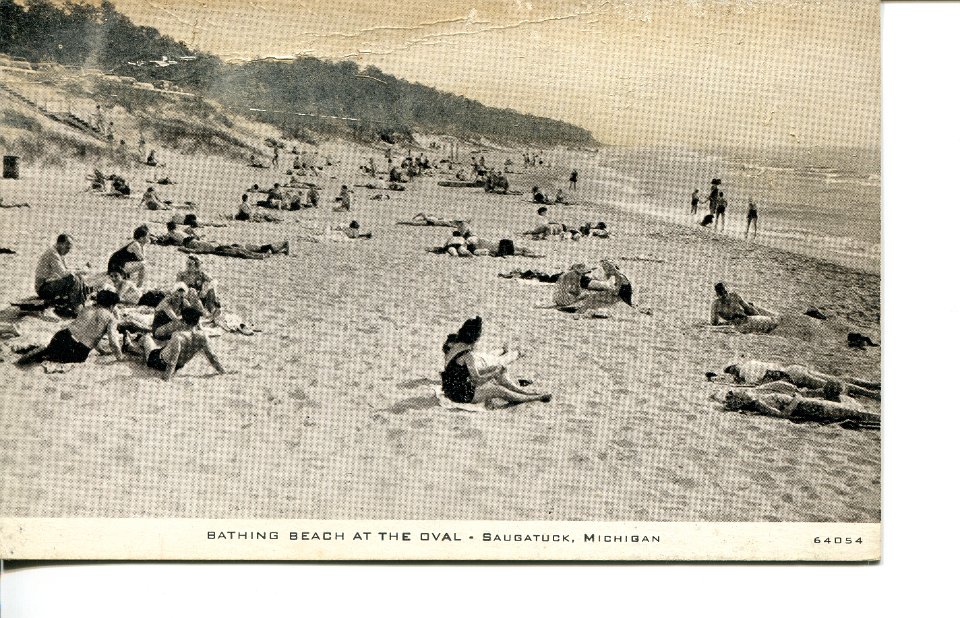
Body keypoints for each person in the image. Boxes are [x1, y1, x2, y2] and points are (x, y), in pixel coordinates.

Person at [440, 316, 550, 405]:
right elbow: (477, 380)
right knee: (498, 390)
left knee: (495, 368)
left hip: (451, 387)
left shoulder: (454, 345)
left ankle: (521, 391)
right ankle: (534, 397)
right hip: (459, 393)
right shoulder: (467, 355)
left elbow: (460, 372)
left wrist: (494, 371)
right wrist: (493, 374)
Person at [17, 290, 123, 366]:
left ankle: (47, 350)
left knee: (53, 349)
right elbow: (113, 341)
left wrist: (101, 351)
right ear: (111, 306)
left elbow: (88, 330)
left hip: (62, 335)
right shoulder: (111, 318)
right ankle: (47, 354)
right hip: (78, 349)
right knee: (67, 357)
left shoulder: (87, 308)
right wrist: (120, 357)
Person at [721, 388, 879, 428]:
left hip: (811, 406)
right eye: (739, 395)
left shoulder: (756, 399)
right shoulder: (758, 403)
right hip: (811, 407)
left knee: (855, 412)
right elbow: (784, 415)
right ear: (741, 399)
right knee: (856, 413)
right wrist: (797, 398)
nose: (744, 393)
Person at [141, 306, 226, 381]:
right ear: (197, 322)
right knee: (164, 346)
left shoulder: (177, 336)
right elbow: (212, 357)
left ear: (184, 321)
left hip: (158, 361)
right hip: (179, 365)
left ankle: (133, 342)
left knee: (147, 338)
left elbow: (172, 362)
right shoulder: (203, 337)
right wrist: (223, 372)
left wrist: (166, 379)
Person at [722, 360, 880, 400]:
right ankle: (873, 386)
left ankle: (873, 394)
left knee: (835, 386)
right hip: (794, 368)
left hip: (794, 376)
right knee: (837, 379)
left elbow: (764, 385)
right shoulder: (752, 363)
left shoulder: (747, 375)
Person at [34, 234, 88, 314]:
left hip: (49, 283)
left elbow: (66, 269)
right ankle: (76, 308)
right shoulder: (52, 254)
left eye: (69, 248)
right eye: (67, 248)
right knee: (72, 278)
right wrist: (81, 271)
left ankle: (78, 304)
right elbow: (63, 273)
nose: (68, 251)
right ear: (59, 244)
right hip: (43, 288)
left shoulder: (59, 252)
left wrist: (79, 271)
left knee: (78, 277)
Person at [567, 260, 632, 317]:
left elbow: (616, 292)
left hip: (622, 297)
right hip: (621, 296)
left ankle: (580, 308)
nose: (605, 271)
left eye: (606, 269)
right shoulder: (617, 276)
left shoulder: (619, 277)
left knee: (593, 298)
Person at [710, 282, 779, 333]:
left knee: (773, 320)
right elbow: (714, 323)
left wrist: (758, 317)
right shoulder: (716, 305)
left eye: (725, 292)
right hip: (737, 322)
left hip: (746, 317)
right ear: (717, 295)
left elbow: (748, 309)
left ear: (727, 291)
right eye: (722, 294)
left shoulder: (734, 296)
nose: (725, 295)